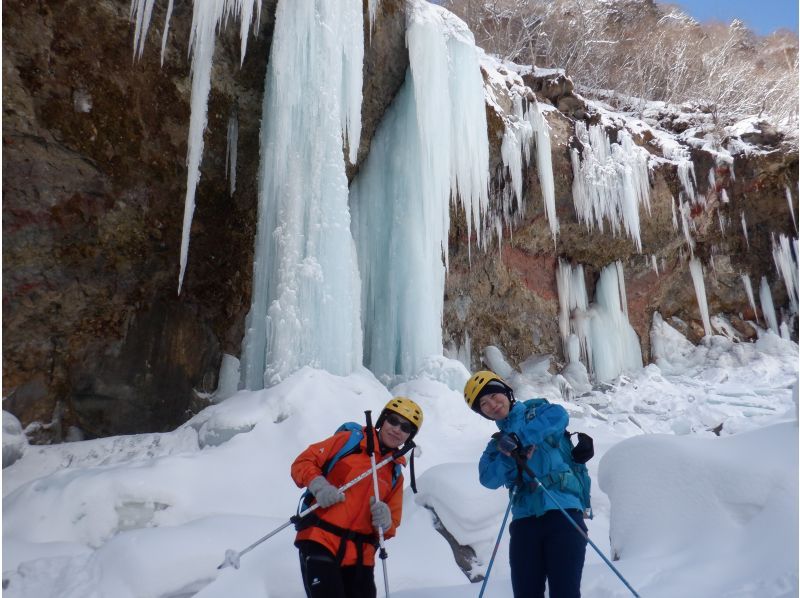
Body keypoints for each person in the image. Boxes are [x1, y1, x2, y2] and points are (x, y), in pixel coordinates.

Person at [464, 370, 589, 598]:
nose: (492, 404)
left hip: (563, 512)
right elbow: (488, 478)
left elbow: (559, 416)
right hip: (524, 523)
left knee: (566, 592)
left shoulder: (539, 412)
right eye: (484, 403)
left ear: (506, 392)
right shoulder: (495, 447)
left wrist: (521, 439)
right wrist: (507, 454)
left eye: (493, 395)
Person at [291, 397, 423, 598]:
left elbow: (391, 526)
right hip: (320, 539)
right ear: (382, 421)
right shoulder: (349, 442)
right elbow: (303, 461)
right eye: (393, 421)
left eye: (405, 428)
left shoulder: (395, 473)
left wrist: (385, 521)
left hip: (361, 556)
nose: (397, 429)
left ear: (409, 437)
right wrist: (320, 487)